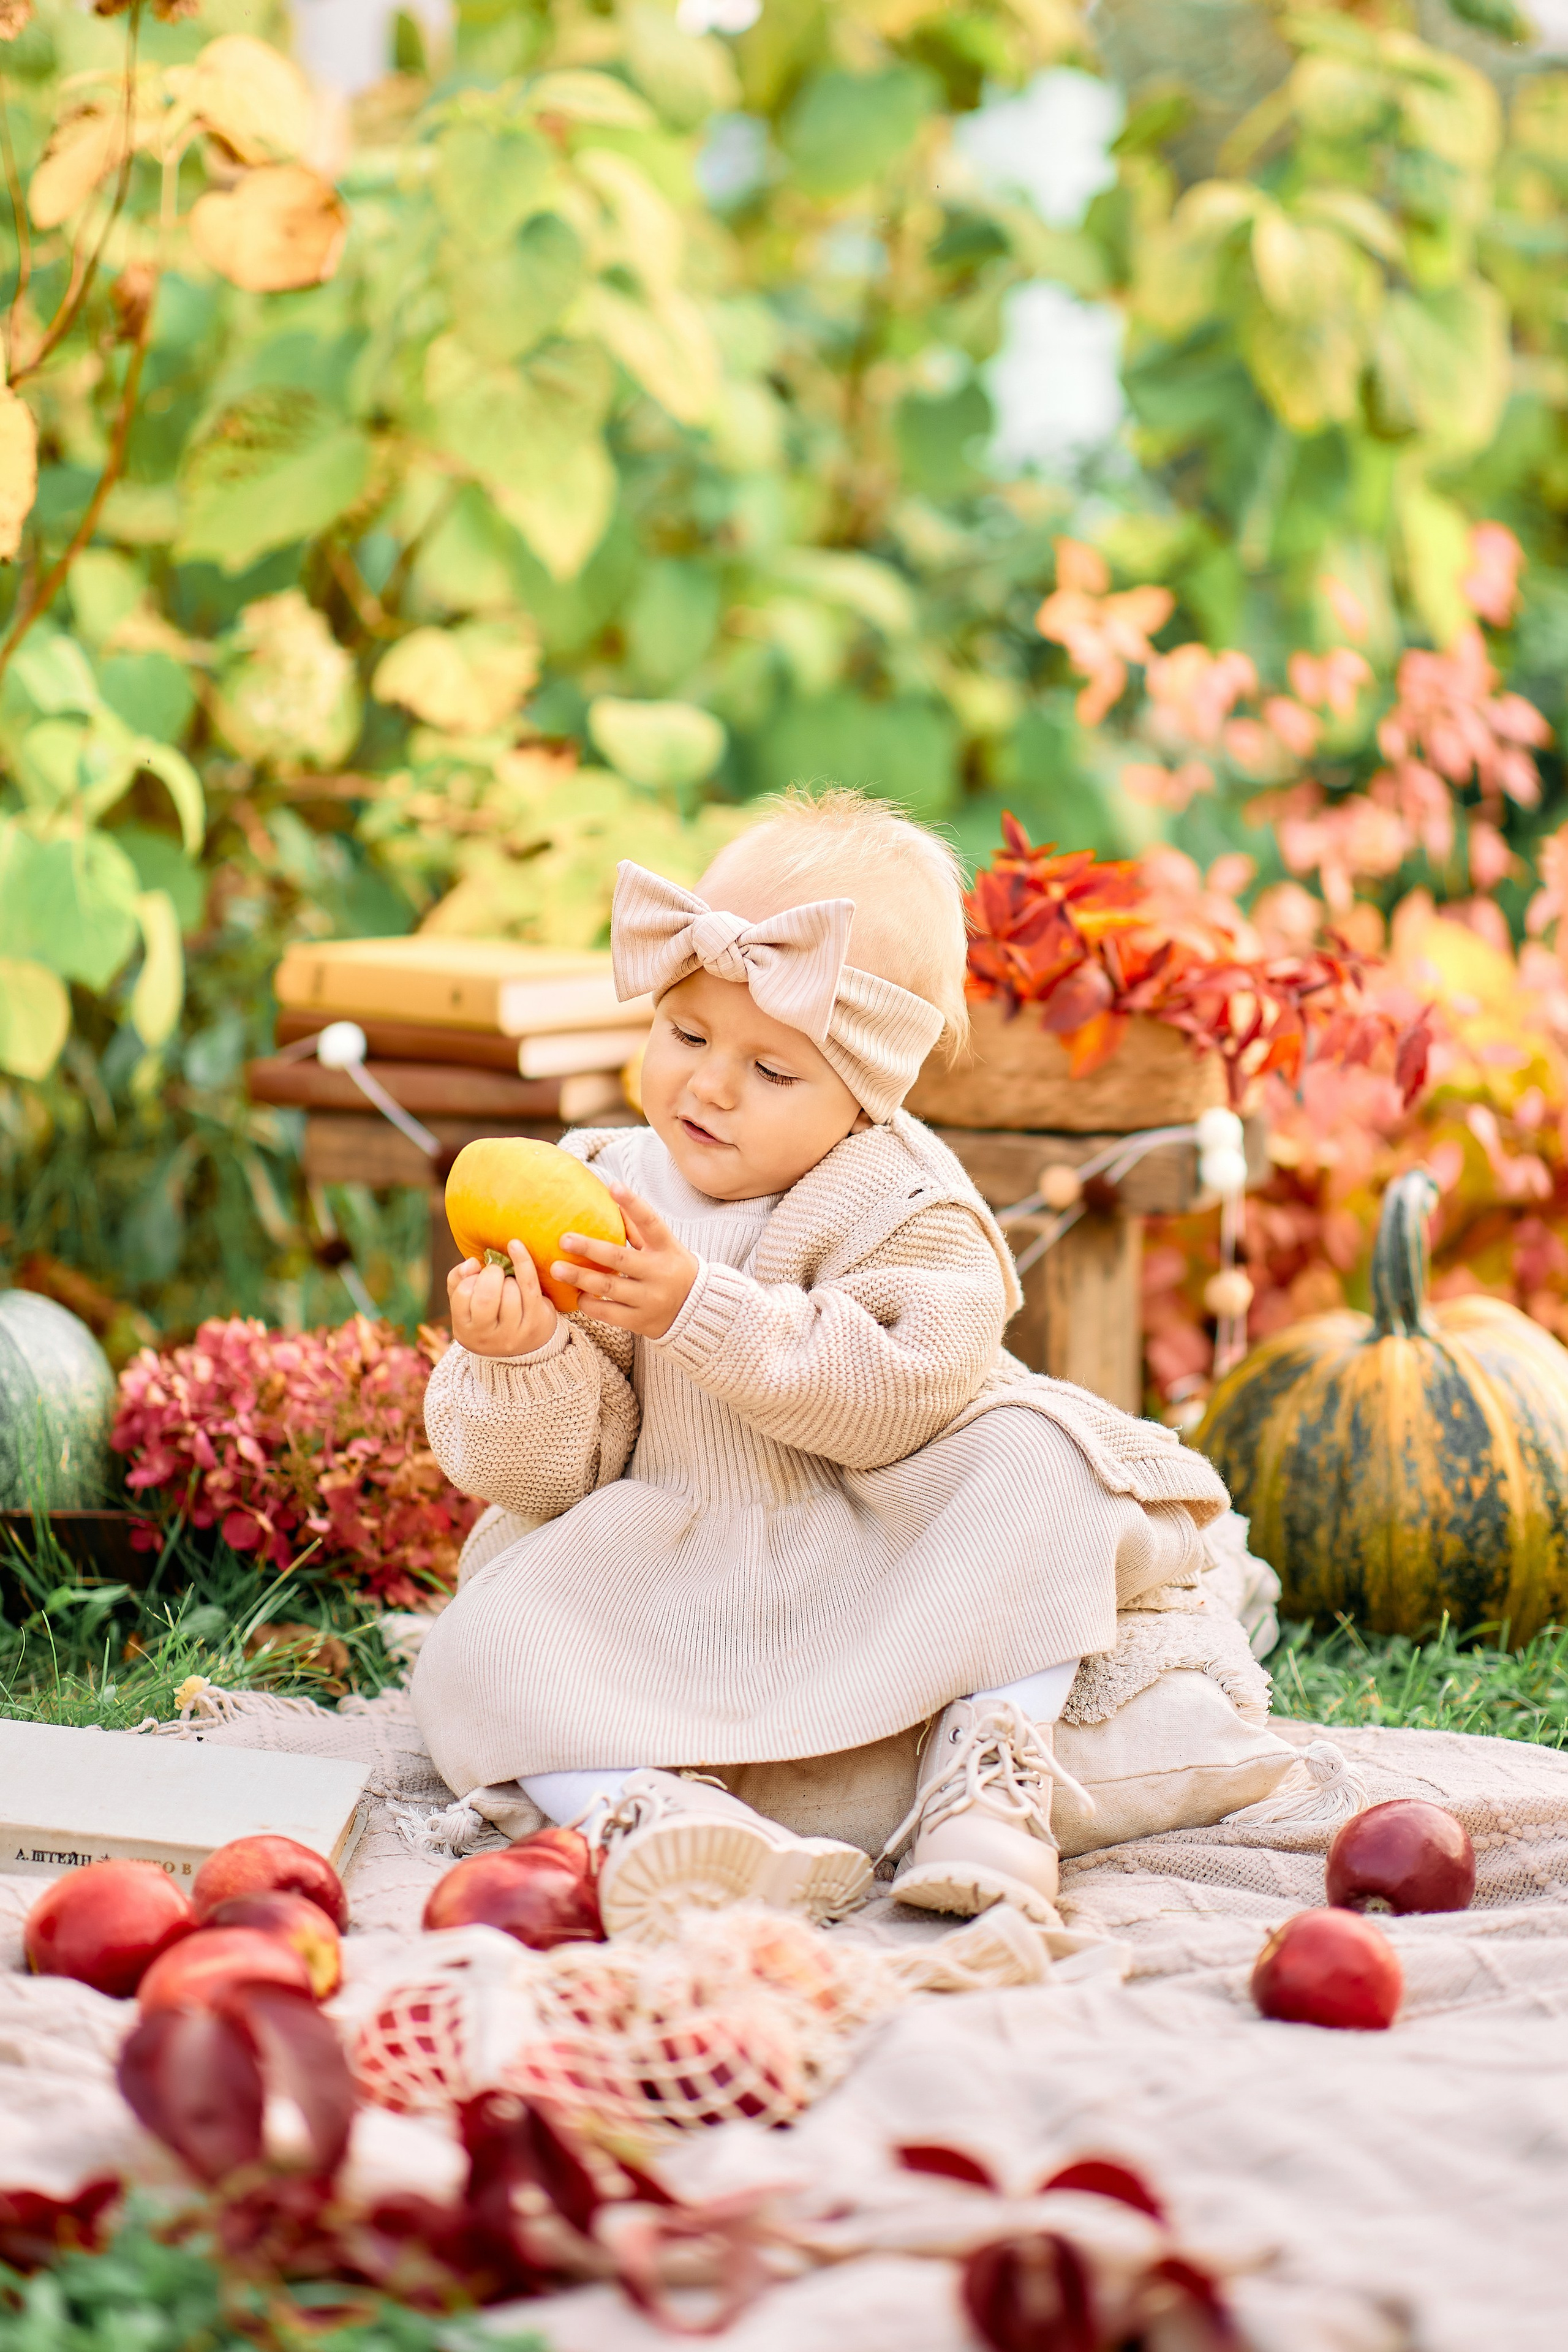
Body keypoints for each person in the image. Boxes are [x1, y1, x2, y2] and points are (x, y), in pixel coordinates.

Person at [411, 790, 1227, 1939]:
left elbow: (900, 1398)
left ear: (870, 1094)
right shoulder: (595, 1186)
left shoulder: (902, 1197)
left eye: (773, 1070)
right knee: (485, 1648)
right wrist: (524, 1354)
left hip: (872, 1532)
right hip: (664, 1546)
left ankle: (989, 1768)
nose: (709, 1086)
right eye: (688, 1035)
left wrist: (700, 1308)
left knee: (1038, 1458)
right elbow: (555, 1479)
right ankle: (646, 1819)